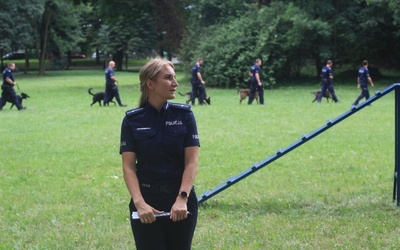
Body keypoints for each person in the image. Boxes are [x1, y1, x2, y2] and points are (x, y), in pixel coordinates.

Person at [120, 58, 200, 249]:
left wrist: (182, 199)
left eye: (174, 77)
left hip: (180, 198)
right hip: (146, 200)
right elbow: (128, 167)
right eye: (168, 78)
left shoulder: (184, 116)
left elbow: (192, 161)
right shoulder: (132, 121)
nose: (175, 83)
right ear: (150, 84)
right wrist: (140, 204)